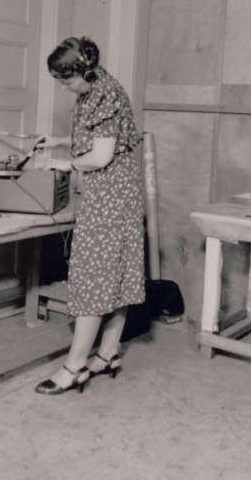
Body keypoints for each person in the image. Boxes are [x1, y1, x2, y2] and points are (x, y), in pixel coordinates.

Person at [34, 36, 146, 395]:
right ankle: (108, 354)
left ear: (83, 71)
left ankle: (74, 366)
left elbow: (100, 158)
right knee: (115, 273)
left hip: (111, 197)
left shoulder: (106, 94)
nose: (65, 88)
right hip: (117, 194)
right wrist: (58, 141)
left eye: (66, 80)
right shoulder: (95, 87)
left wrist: (64, 162)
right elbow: (96, 137)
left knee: (94, 278)